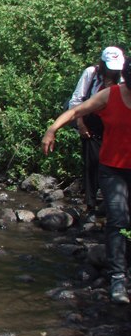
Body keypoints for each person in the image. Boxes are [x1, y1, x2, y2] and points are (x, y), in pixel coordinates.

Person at [42, 57, 131, 304]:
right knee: (118, 219)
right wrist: (52, 130)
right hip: (113, 169)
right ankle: (118, 278)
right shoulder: (110, 95)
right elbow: (76, 110)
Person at [67, 46, 125, 213]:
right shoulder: (91, 73)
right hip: (90, 121)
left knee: (113, 163)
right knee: (92, 163)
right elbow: (77, 100)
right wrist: (81, 124)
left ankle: (111, 202)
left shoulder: (123, 78)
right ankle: (91, 204)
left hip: (112, 124)